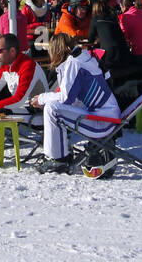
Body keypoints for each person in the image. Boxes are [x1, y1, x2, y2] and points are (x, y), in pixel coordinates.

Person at [30, 33, 121, 174]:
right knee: (54, 108)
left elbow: (66, 98)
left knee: (52, 109)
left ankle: (57, 159)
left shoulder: (74, 63)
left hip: (103, 120)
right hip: (105, 115)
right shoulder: (82, 59)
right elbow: (73, 100)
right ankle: (59, 154)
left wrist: (42, 98)